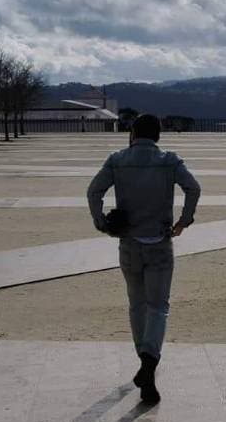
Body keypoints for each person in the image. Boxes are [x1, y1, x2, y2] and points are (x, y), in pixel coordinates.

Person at [86, 113, 200, 404]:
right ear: (158, 135)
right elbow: (193, 188)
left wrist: (101, 221)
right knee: (159, 306)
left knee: (137, 304)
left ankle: (142, 358)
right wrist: (183, 221)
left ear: (133, 133)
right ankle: (150, 360)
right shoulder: (169, 160)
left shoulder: (117, 159)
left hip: (129, 243)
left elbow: (94, 190)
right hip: (159, 241)